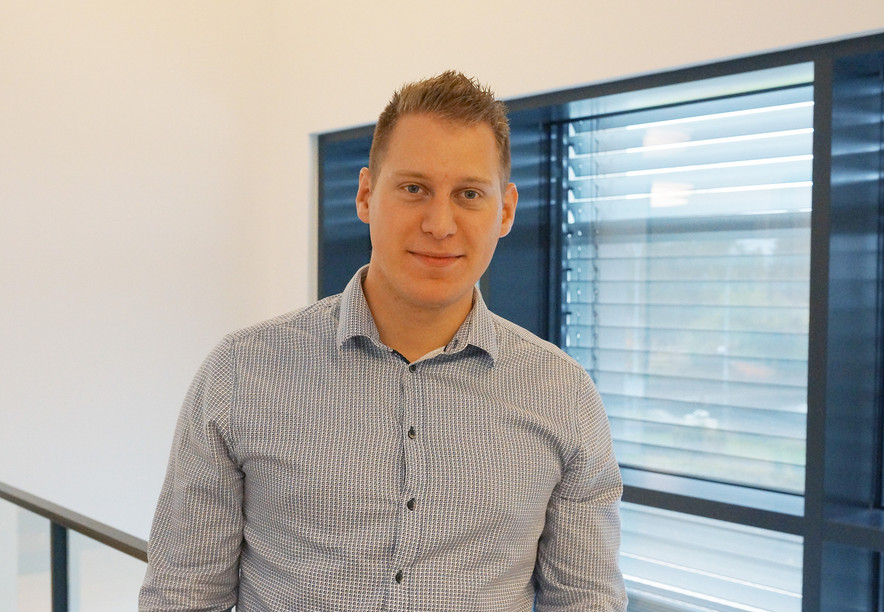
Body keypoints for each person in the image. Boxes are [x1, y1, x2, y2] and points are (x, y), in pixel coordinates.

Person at [139, 70, 627, 611]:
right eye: (414, 188)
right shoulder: (241, 372)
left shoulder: (563, 394)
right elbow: (183, 597)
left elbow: (587, 602)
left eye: (469, 194)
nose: (439, 224)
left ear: (505, 210)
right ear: (367, 195)